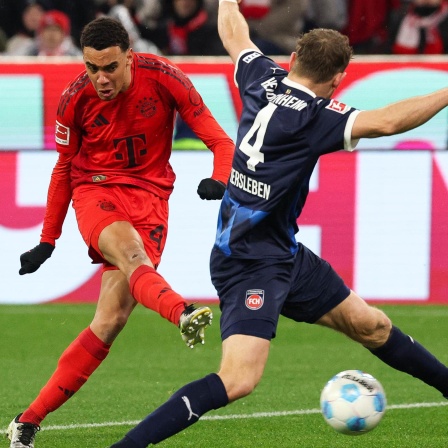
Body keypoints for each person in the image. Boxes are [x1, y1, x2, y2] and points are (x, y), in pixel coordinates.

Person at [109, 0, 448, 446]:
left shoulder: (262, 79)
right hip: (249, 262)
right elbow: (385, 122)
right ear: (336, 81)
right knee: (238, 379)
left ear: (292, 61)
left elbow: (235, 35)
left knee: (373, 326)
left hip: (284, 253)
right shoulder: (316, 116)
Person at [6, 16, 234, 448]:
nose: (101, 78)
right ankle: (182, 313)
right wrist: (47, 239)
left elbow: (222, 142)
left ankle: (26, 421)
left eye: (110, 67)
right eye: (92, 68)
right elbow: (63, 169)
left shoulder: (165, 78)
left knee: (110, 320)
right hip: (96, 192)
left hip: (151, 200)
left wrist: (219, 178)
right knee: (132, 256)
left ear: (129, 57)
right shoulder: (74, 100)